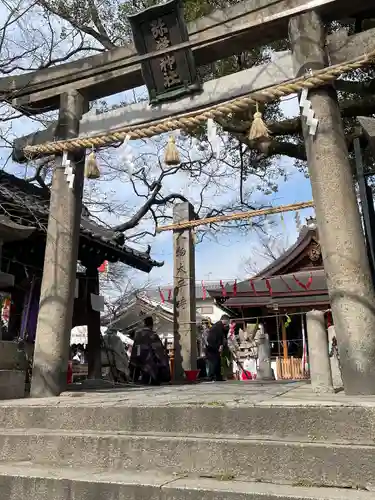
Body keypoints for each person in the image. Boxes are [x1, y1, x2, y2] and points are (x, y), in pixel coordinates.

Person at [130, 316, 171, 385]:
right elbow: (158, 348)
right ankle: (156, 378)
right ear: (151, 325)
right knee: (161, 359)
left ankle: (139, 379)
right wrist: (163, 354)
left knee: (145, 361)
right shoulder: (152, 334)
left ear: (144, 324)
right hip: (148, 357)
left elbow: (135, 346)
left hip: (137, 356)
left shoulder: (138, 333)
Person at [205, 314, 230, 381]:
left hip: (216, 347)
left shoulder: (220, 327)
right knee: (213, 363)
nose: (228, 323)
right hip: (212, 348)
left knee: (217, 362)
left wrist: (221, 345)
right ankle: (211, 376)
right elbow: (210, 339)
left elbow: (222, 337)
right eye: (228, 321)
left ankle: (218, 377)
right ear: (225, 320)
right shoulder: (216, 327)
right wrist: (218, 346)